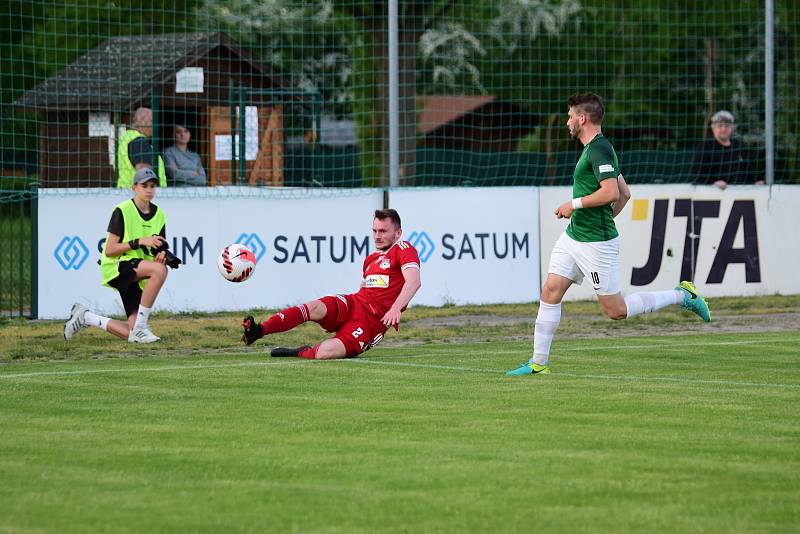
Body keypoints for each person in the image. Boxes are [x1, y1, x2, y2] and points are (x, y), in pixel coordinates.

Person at [507, 93, 711, 377]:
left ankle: (681, 295)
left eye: (570, 116)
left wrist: (574, 205)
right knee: (550, 292)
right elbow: (625, 194)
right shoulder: (595, 149)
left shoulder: (599, 149)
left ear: (582, 118)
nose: (567, 122)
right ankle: (538, 363)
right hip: (574, 236)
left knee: (616, 311)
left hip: (596, 244)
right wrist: (595, 217)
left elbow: (612, 193)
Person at [241, 209, 422, 360]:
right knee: (314, 307)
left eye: (383, 231)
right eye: (374, 231)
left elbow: (413, 282)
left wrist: (395, 308)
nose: (377, 236)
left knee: (325, 353)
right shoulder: (371, 258)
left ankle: (300, 351)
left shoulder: (403, 249)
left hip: (370, 323)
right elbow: (365, 288)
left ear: (397, 233)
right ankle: (259, 330)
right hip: (354, 303)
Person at [64, 168, 172, 344]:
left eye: (152, 186)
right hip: (118, 266)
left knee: (132, 335)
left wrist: (161, 254)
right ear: (134, 187)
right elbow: (109, 250)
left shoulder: (158, 213)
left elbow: (158, 245)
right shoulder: (122, 210)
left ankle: (86, 317)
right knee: (160, 271)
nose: (149, 189)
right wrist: (138, 242)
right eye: (144, 185)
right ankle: (141, 327)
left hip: (138, 268)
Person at [691, 110, 765, 189]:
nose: (724, 129)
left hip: (740, 195)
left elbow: (748, 171)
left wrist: (755, 183)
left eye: (727, 126)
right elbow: (697, 173)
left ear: (732, 128)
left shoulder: (739, 146)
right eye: (720, 126)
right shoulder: (705, 147)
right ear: (713, 129)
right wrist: (713, 183)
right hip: (714, 196)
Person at [116, 107, 167, 188]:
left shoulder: (127, 139)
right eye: (151, 121)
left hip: (128, 191)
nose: (154, 125)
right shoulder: (139, 142)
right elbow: (144, 174)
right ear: (141, 121)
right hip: (141, 197)